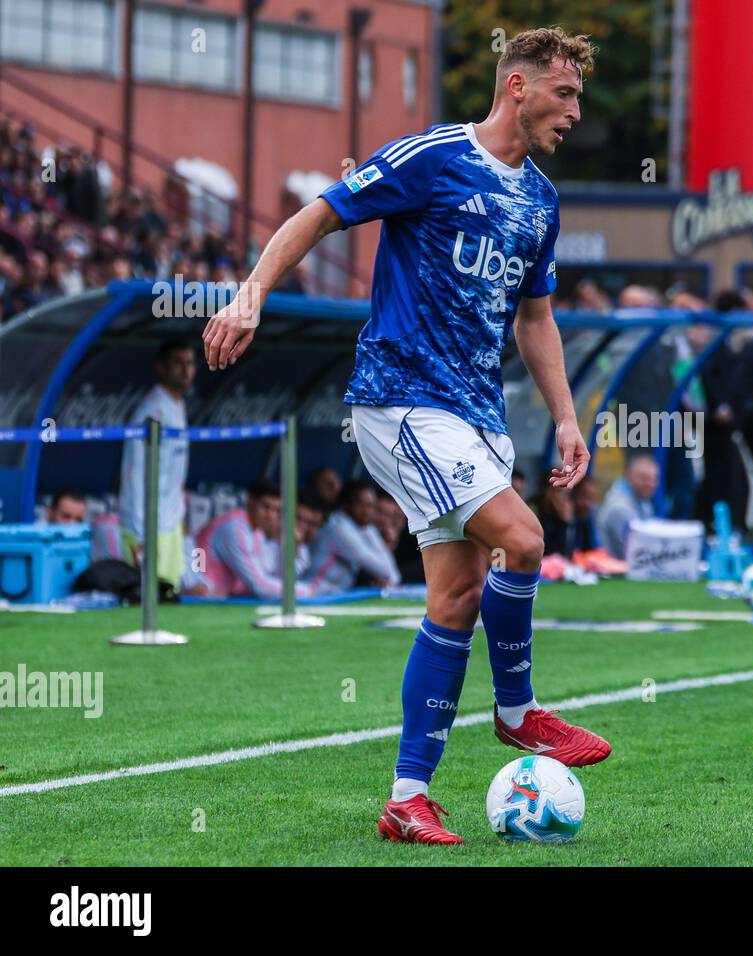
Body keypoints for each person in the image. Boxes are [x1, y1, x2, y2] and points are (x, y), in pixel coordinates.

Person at [202, 27, 607, 846]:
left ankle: (407, 799)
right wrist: (250, 293)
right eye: (564, 95)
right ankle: (519, 713)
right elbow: (319, 214)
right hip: (401, 400)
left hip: (478, 417)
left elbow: (536, 317)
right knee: (524, 539)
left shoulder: (541, 202)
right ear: (517, 87)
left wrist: (566, 416)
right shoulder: (433, 157)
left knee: (456, 598)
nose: (574, 113)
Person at [118, 339, 194, 589]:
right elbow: (134, 472)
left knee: (170, 596)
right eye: (177, 363)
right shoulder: (153, 410)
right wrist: (138, 529)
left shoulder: (178, 404)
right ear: (161, 368)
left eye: (190, 363)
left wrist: (180, 513)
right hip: (147, 524)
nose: (185, 370)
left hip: (171, 523)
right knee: (145, 602)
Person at [196, 480, 309, 599]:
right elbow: (259, 586)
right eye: (266, 507)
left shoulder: (256, 531)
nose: (271, 515)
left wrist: (297, 546)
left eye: (276, 510)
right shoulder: (234, 527)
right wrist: (308, 591)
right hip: (197, 598)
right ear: (250, 502)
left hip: (217, 599)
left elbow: (276, 574)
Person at [307, 480, 400, 590]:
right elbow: (385, 571)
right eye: (360, 504)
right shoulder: (338, 528)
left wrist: (369, 529)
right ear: (345, 504)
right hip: (313, 591)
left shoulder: (362, 527)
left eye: (371, 506)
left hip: (334, 593)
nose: (366, 511)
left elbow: (394, 577)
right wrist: (370, 530)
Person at [595, 453, 658, 559]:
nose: (649, 484)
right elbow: (639, 553)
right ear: (629, 476)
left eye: (653, 479)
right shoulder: (619, 507)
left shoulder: (644, 503)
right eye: (644, 478)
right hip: (614, 573)